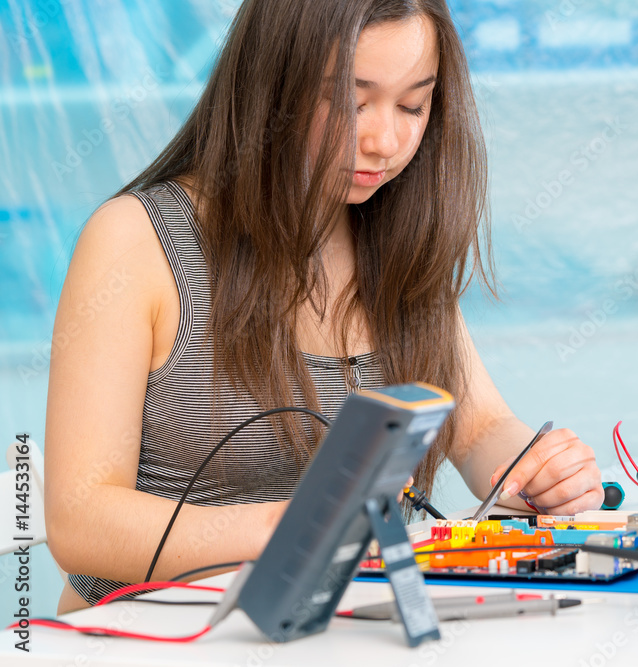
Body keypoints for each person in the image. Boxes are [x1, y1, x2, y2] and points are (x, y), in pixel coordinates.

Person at [44, 0, 603, 614]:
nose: (384, 140)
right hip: (147, 638)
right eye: (349, 102)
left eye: (413, 105)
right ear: (271, 85)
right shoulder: (136, 240)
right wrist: (283, 531)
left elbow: (480, 428)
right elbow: (80, 521)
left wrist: (535, 476)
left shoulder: (393, 238)